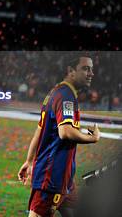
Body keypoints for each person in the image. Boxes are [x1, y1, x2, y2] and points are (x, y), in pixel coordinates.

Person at [17, 55, 100, 217]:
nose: (91, 73)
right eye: (85, 68)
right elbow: (66, 132)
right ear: (71, 71)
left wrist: (29, 160)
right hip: (52, 178)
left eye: (91, 69)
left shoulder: (56, 92)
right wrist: (93, 138)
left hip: (64, 179)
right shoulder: (65, 96)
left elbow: (40, 130)